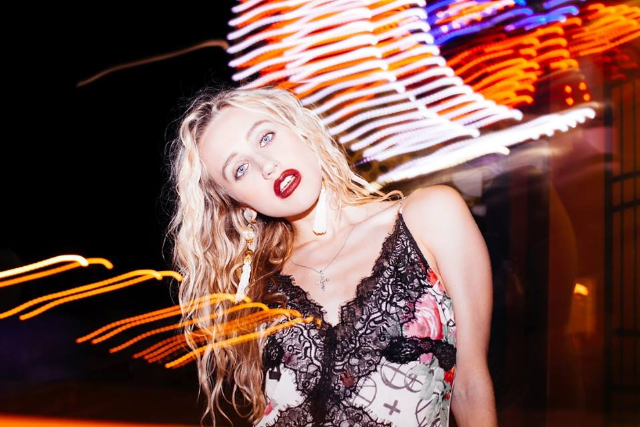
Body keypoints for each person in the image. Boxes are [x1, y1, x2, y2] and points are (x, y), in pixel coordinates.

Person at [166, 85, 497, 427]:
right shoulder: (259, 293)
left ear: (300, 130)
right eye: (240, 169)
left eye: (265, 138)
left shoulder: (429, 217)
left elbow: (470, 388)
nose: (266, 166)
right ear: (240, 205)